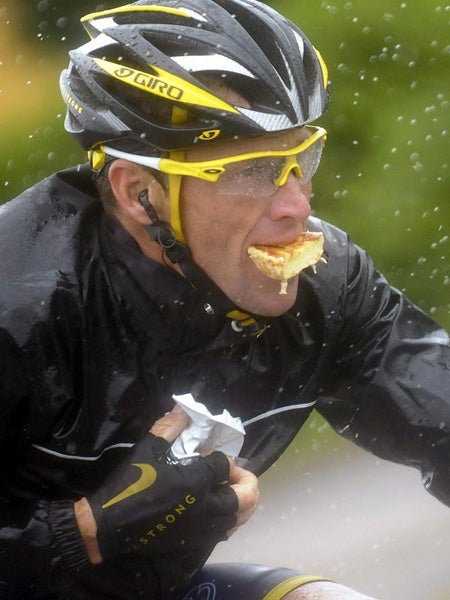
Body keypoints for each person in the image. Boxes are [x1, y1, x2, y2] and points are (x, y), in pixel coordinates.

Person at [0, 0, 448, 598]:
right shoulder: (18, 308)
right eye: (253, 171)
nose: (298, 206)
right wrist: (86, 530)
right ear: (140, 195)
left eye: (300, 160)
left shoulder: (325, 286)